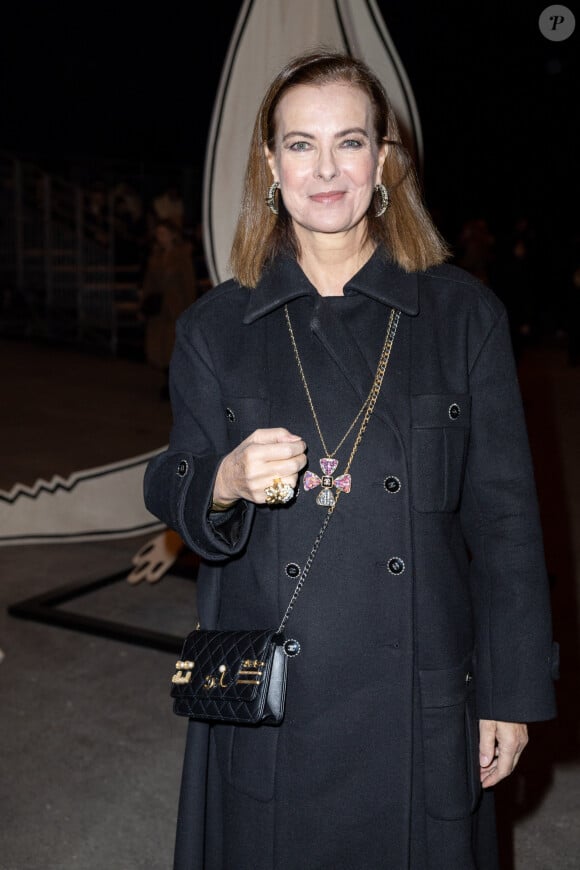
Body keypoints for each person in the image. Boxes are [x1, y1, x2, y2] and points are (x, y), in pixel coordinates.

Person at [144, 50, 558, 870]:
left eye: (349, 142)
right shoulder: (217, 328)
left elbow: (506, 520)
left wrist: (510, 694)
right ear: (270, 163)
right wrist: (223, 479)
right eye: (300, 145)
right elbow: (172, 478)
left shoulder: (460, 315)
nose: (325, 169)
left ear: (384, 159)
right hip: (274, 704)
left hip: (418, 696)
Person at [140, 218, 198, 398]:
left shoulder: (182, 256)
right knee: (160, 345)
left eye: (163, 233)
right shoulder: (155, 257)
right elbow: (148, 283)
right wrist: (143, 305)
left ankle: (172, 384)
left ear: (173, 235)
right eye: (158, 233)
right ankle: (168, 379)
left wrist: (191, 310)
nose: (160, 237)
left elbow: (189, 285)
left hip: (176, 308)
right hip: (159, 309)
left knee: (174, 346)